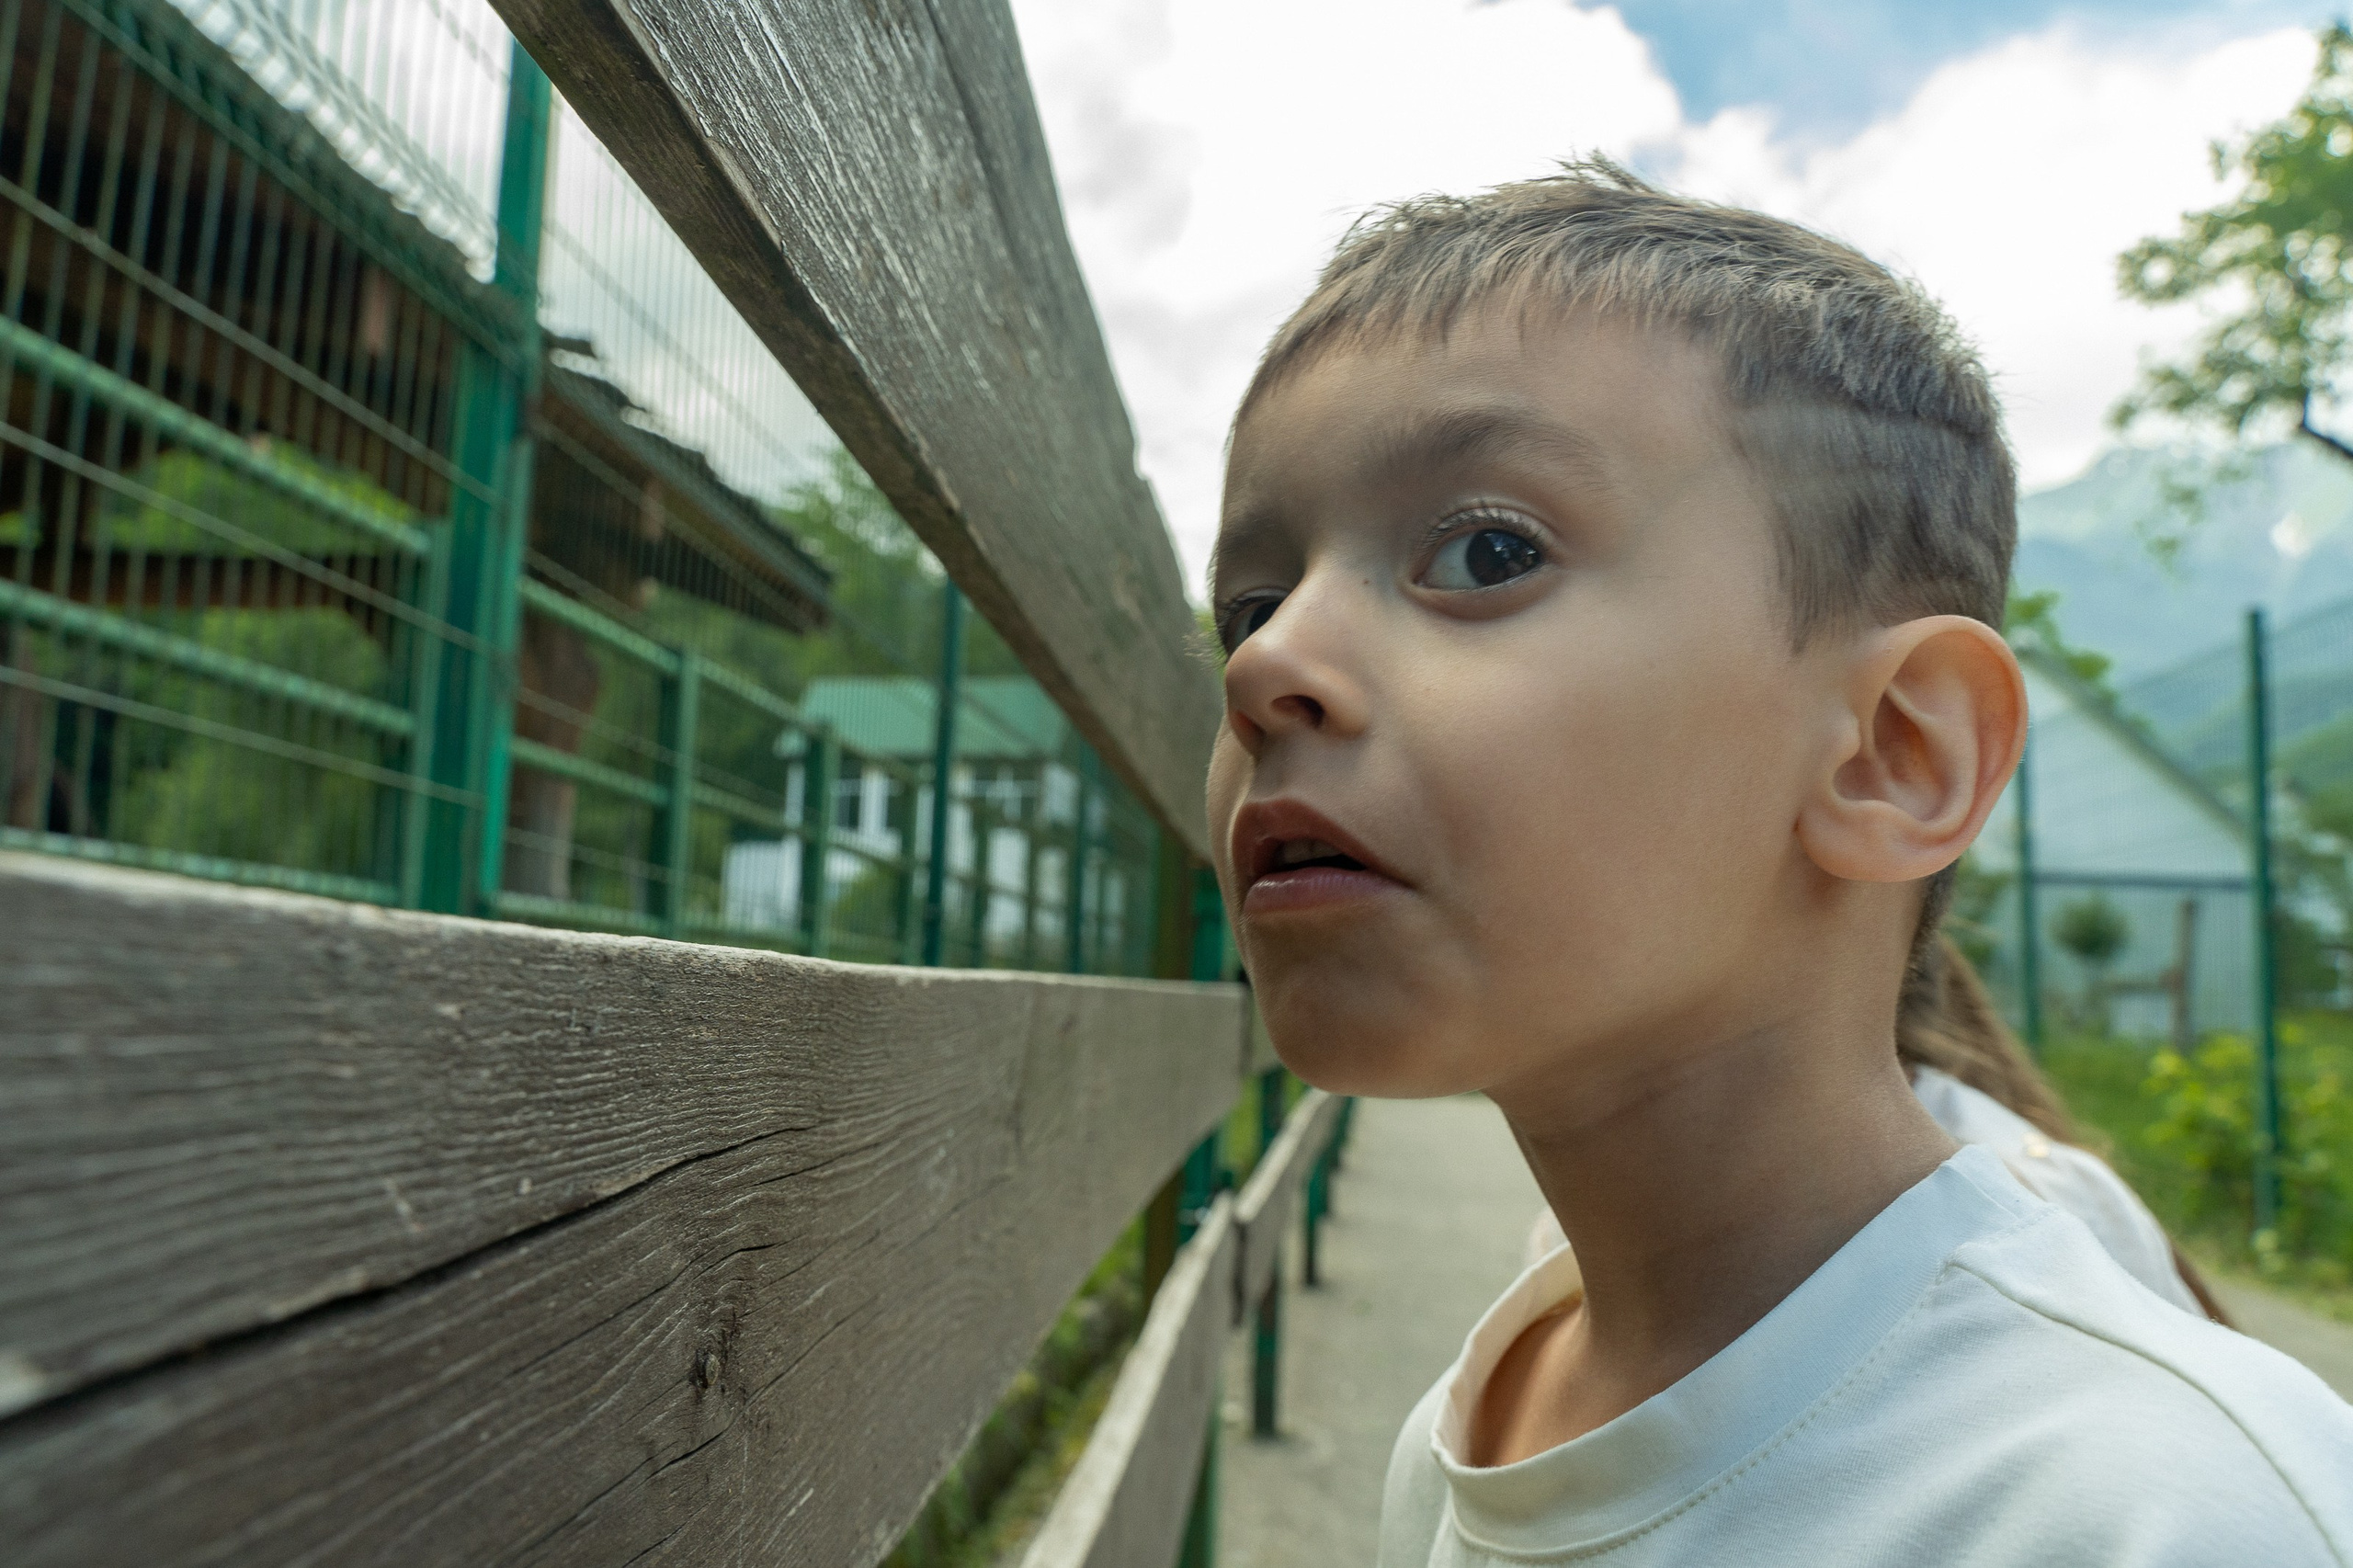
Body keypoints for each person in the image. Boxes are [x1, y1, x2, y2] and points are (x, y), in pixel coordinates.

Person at [1203, 161, 2351, 1565]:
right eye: (1253, 600)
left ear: (1893, 755)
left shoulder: (2170, 1513)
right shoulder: (1452, 1445)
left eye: (1489, 550)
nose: (1267, 661)